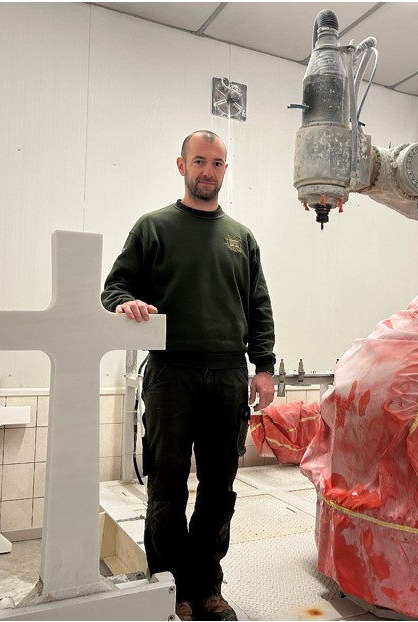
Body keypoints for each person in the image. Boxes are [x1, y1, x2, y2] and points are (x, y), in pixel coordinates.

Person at [102, 130, 276, 621]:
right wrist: (126, 302)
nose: (208, 171)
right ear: (181, 166)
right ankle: (169, 587)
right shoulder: (153, 227)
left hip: (226, 374)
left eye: (218, 164)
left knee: (220, 489)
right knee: (167, 486)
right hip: (170, 374)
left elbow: (258, 307)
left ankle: (207, 587)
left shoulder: (241, 238)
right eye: (200, 161)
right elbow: (114, 286)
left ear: (225, 170)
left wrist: (263, 367)